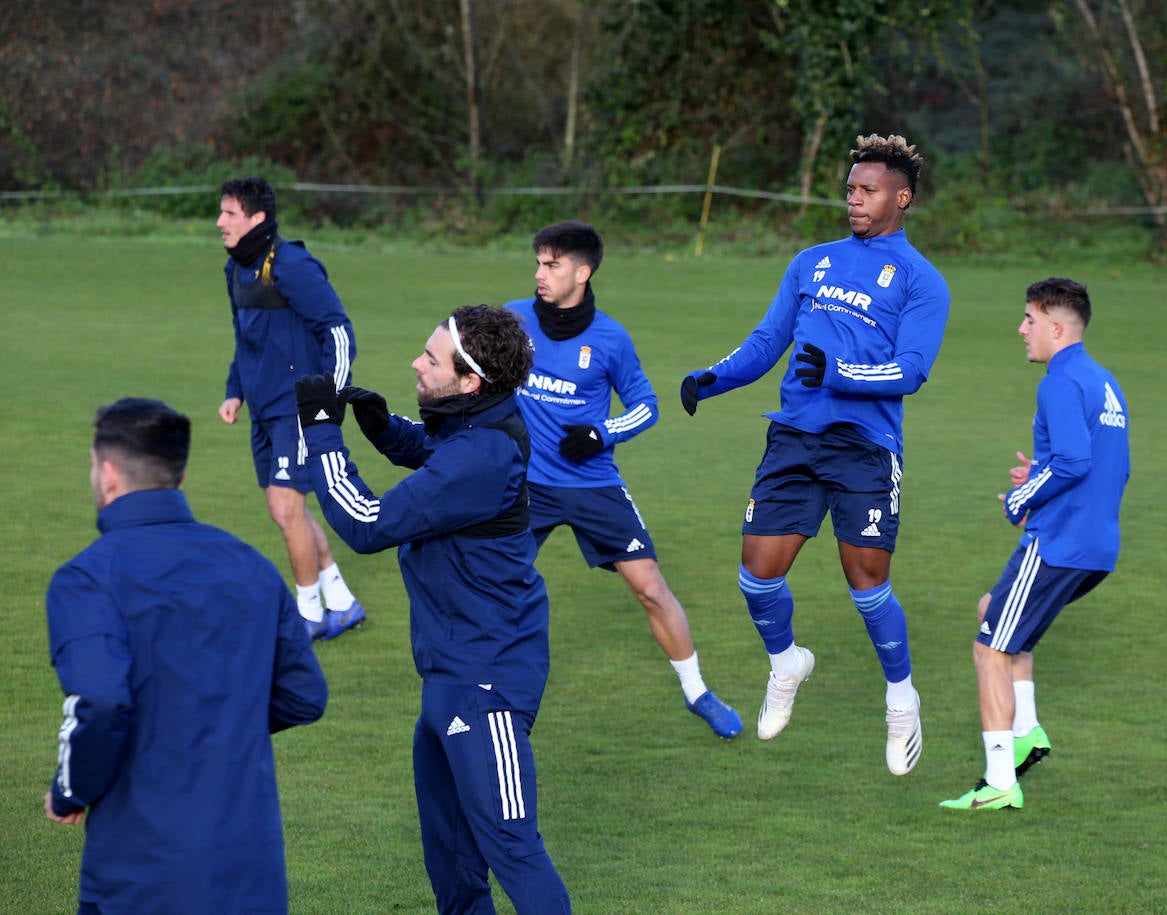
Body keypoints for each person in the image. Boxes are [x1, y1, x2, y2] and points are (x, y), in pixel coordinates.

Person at [679, 134, 950, 775]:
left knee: (866, 582)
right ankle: (786, 663)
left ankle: (900, 698)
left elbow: (910, 372)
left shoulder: (921, 281)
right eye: (850, 189)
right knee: (756, 574)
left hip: (864, 446)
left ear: (901, 198)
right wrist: (711, 378)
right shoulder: (812, 262)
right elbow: (768, 339)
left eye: (867, 190)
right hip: (793, 438)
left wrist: (840, 372)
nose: (853, 200)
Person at [293, 305, 570, 913]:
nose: (416, 363)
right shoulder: (480, 423)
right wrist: (382, 426)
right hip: (452, 674)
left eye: (430, 358)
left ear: (469, 381)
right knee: (450, 856)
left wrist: (322, 431)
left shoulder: (482, 457)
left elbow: (367, 524)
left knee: (512, 850)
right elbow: (438, 452)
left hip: (486, 680)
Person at [43, 397, 328, 914]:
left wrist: (69, 791)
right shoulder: (252, 566)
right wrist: (217, 721)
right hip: (252, 868)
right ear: (179, 472)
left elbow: (102, 703)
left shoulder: (85, 580)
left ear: (108, 475)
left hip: (143, 869)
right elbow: (305, 695)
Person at [505, 220, 742, 740]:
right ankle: (486, 689)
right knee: (493, 582)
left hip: (593, 484)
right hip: (527, 485)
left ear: (583, 272)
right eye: (538, 263)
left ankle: (697, 691)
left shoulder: (611, 338)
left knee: (650, 587)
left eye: (552, 265)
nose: (540, 274)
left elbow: (647, 407)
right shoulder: (512, 320)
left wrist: (601, 433)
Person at [940, 277, 1130, 811]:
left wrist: (1021, 500)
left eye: (1028, 319)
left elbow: (1073, 463)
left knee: (989, 647)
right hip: (1096, 547)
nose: (1021, 329)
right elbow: (1115, 467)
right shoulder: (1104, 382)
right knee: (994, 612)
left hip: (1058, 544)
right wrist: (1041, 475)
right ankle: (1028, 733)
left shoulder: (1059, 382)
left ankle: (1001, 781)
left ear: (1055, 326)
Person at [216, 175, 365, 640]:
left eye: (229, 214)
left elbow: (338, 331)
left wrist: (328, 398)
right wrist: (234, 390)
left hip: (297, 407)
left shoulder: (293, 265)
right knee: (288, 511)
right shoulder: (235, 270)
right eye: (220, 212)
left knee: (286, 509)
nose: (219, 222)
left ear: (257, 219)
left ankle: (308, 616)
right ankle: (341, 601)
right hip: (262, 409)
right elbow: (245, 339)